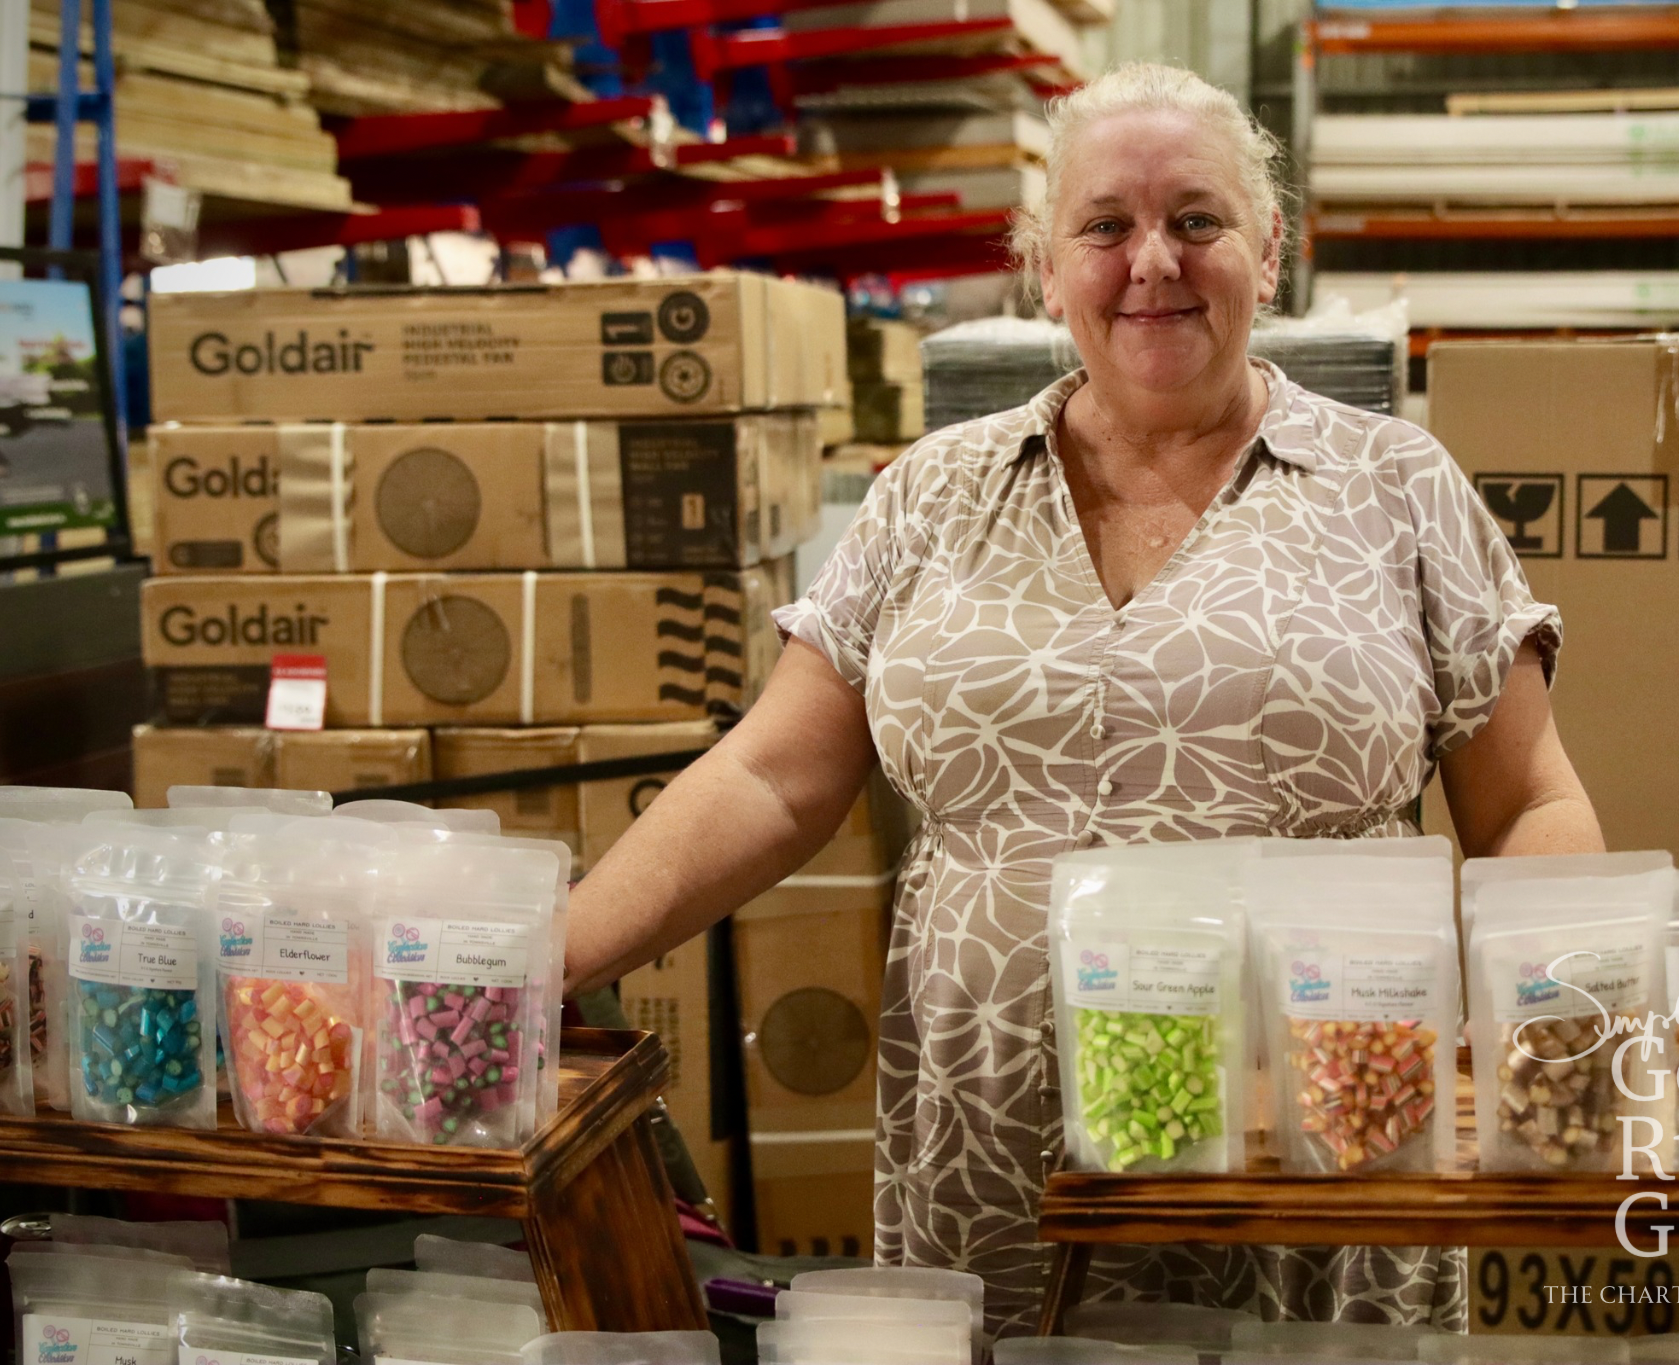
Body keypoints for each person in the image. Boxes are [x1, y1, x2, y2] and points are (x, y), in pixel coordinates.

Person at [567, 61, 1603, 1337]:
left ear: (1267, 250)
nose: (1151, 262)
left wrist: (1555, 1039)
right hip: (993, 1161)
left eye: (1196, 220)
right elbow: (768, 777)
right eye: (1105, 226)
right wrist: (549, 959)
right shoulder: (933, 493)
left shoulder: (1394, 486)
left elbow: (1527, 803)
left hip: (1318, 1154)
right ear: (1044, 269)